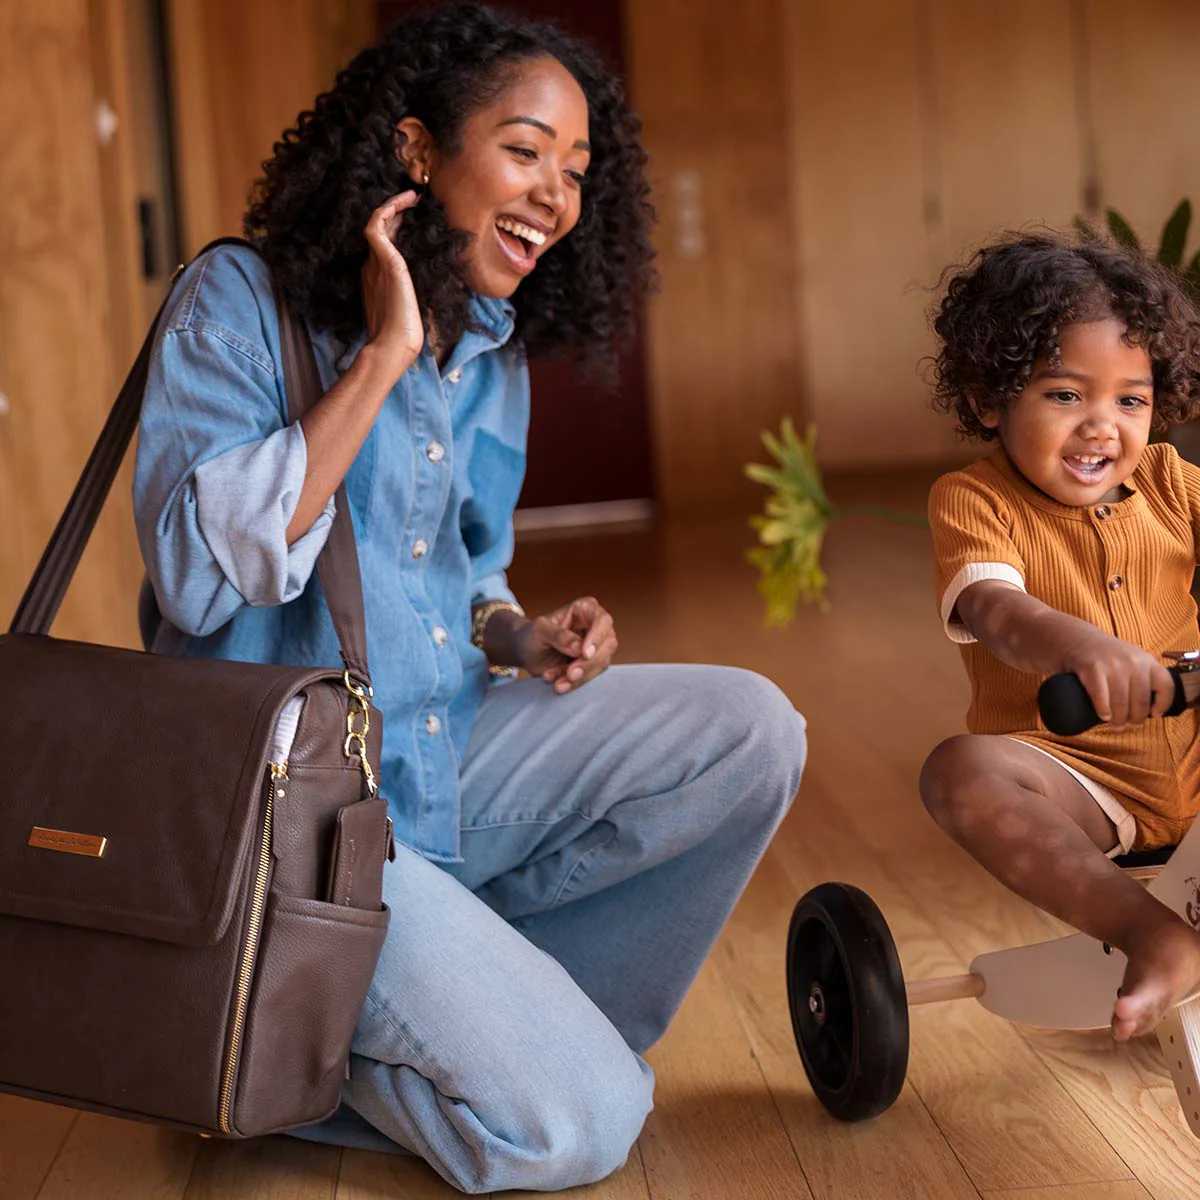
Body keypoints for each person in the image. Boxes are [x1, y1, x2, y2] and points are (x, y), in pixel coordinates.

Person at [133, 4, 807, 1193]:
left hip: (438, 759)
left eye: (579, 169)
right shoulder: (237, 301)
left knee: (753, 729)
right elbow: (196, 573)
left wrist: (517, 630)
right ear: (415, 151)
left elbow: (464, 571)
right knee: (581, 1126)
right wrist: (383, 354)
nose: (557, 192)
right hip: (285, 810)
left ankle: (476, 1008)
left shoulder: (487, 351)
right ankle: (269, 1049)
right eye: (527, 148)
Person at [920, 232, 1200, 1045]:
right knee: (959, 771)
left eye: (1131, 401)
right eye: (1066, 395)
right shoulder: (976, 501)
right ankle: (1153, 933)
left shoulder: (1170, 483)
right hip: (1078, 777)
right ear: (988, 396)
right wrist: (1080, 649)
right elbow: (998, 612)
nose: (1102, 428)